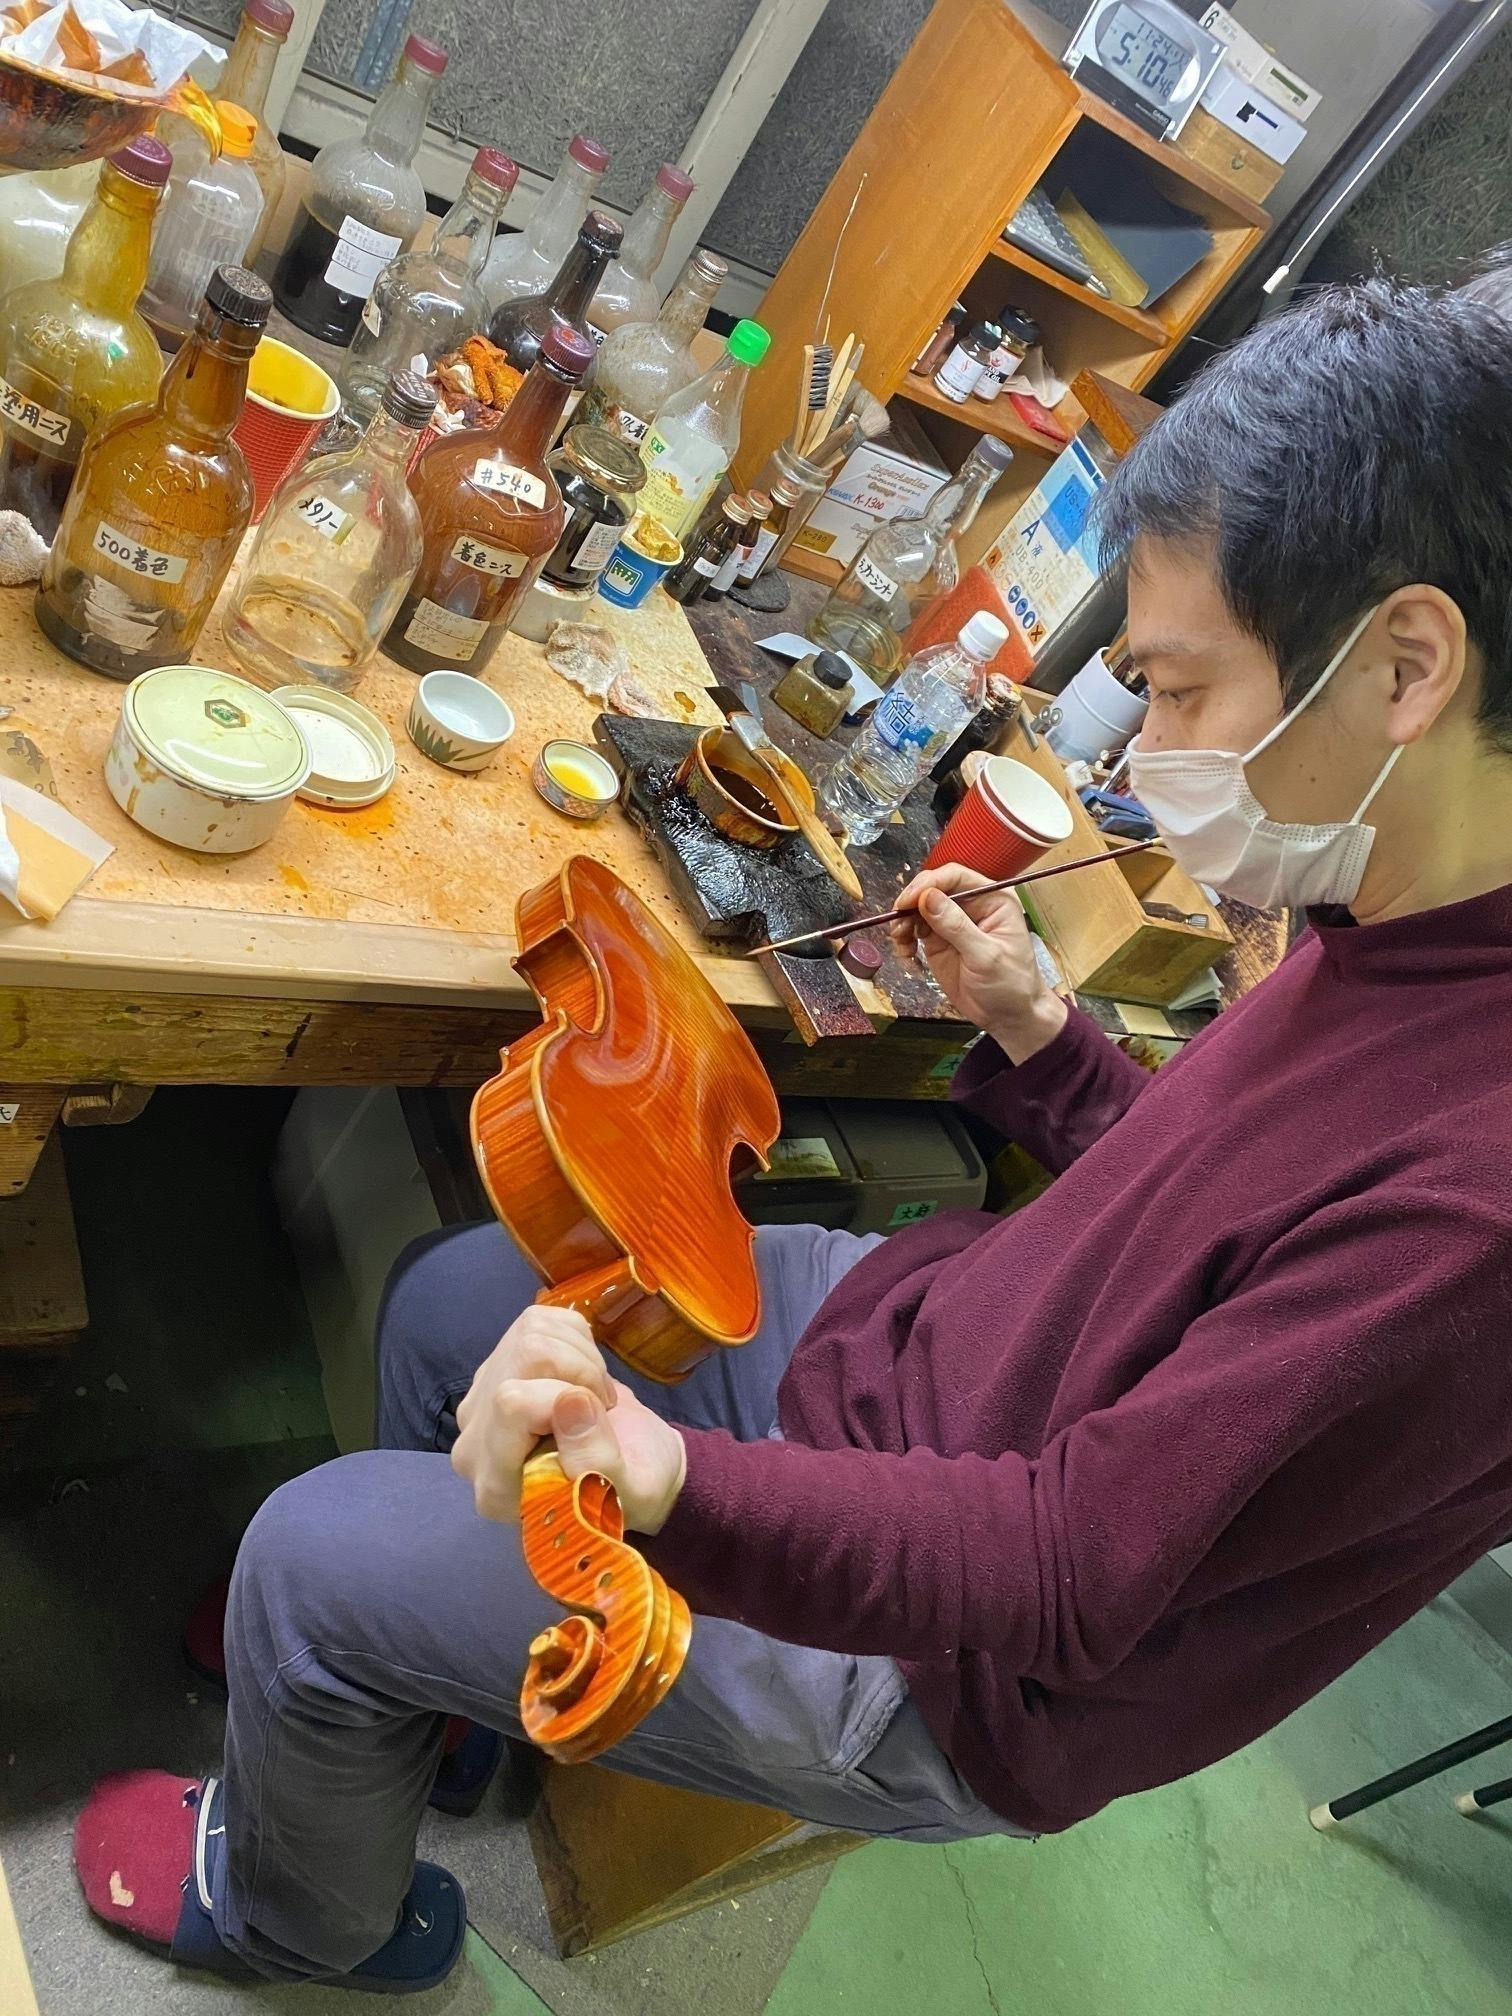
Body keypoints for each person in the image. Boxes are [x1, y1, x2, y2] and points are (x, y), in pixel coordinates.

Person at [75, 277, 1512, 1990]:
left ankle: (301, 1913)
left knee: (307, 1564)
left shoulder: (1479, 1207)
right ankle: (429, 1710)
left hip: (958, 1654)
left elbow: (1074, 1566)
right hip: (911, 1349)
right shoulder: (1395, 903)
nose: (1151, 752)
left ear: (1406, 667)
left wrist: (674, 1480)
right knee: (452, 1305)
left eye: (1182, 691)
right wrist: (1042, 1041)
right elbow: (1206, 1224)